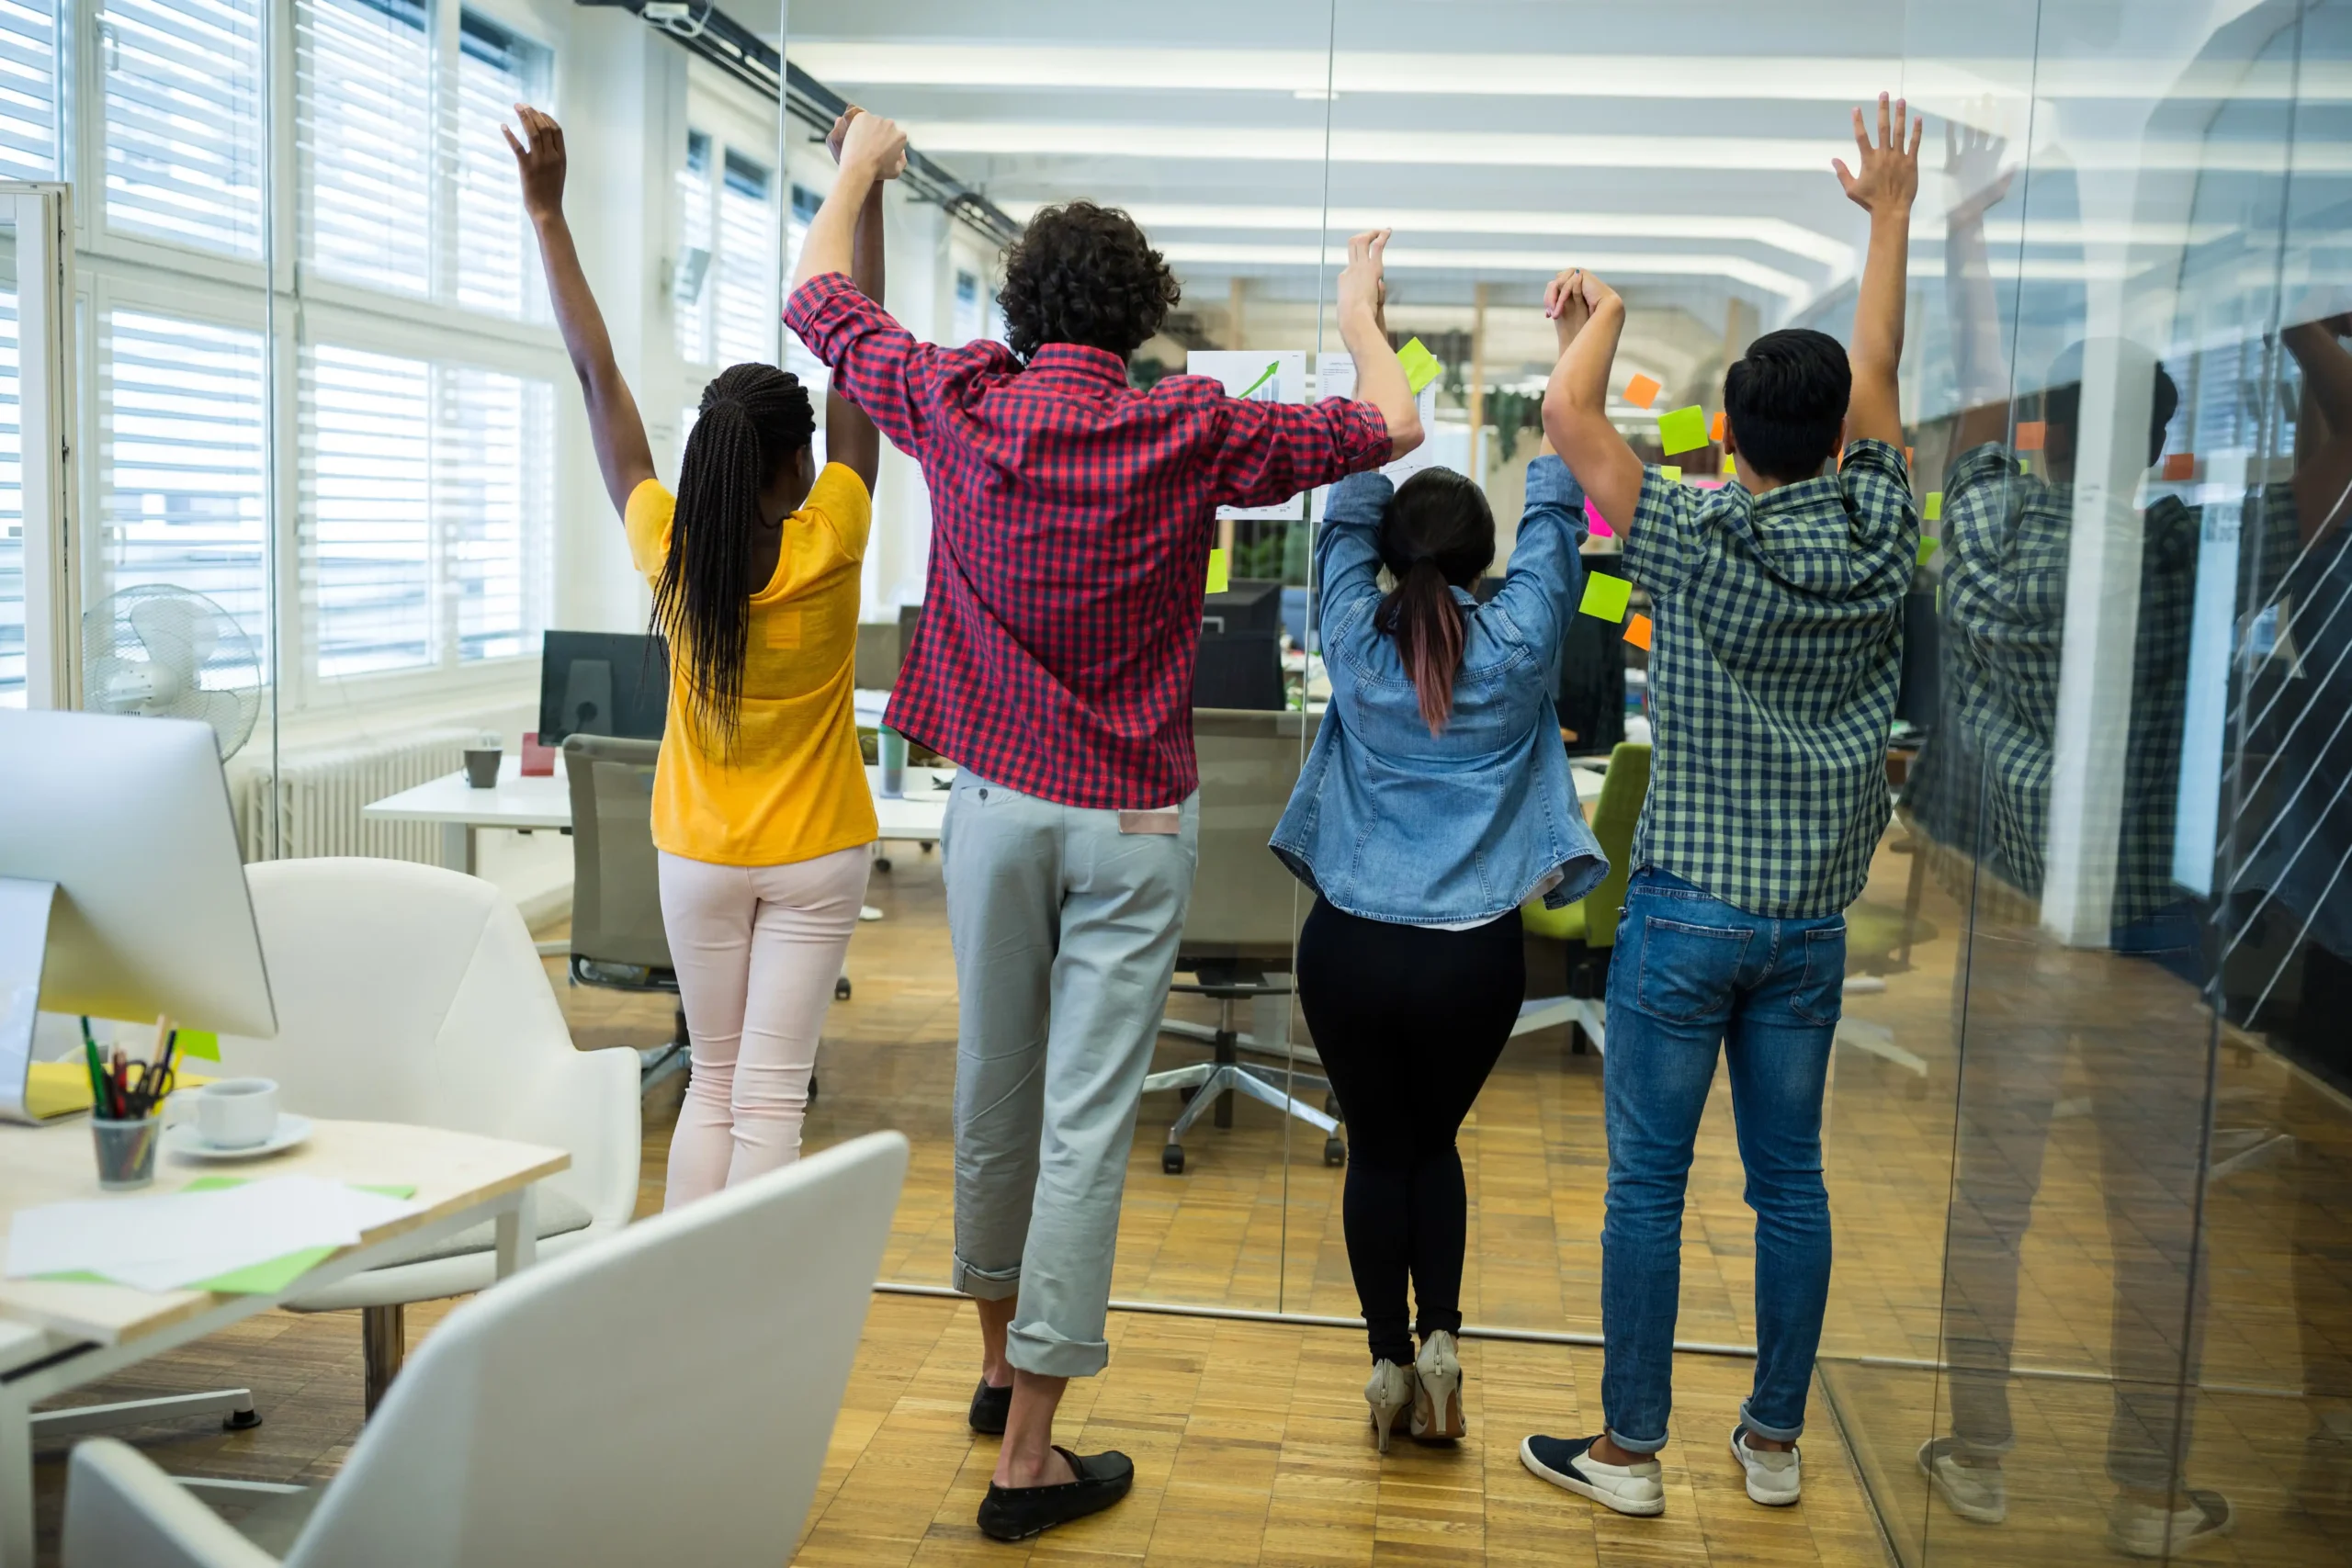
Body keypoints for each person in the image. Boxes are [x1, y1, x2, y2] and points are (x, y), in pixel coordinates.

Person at [786, 111, 1423, 1542]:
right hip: (1132, 818)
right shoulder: (1185, 426)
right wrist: (1356, 314)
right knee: (1082, 1124)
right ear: (1142, 320)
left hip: (999, 810)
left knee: (997, 1089)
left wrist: (862, 167)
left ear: (1019, 309)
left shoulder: (959, 399)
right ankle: (1029, 1450)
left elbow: (816, 299)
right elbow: (1391, 425)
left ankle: (997, 1363)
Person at [1519, 94, 1922, 1517]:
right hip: (1811, 924)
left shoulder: (1695, 531)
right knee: (1789, 1187)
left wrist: (1606, 307)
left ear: (1733, 434)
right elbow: (1876, 369)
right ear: (1835, 438)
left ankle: (1630, 1453)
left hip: (1687, 911)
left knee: (1648, 1187)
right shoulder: (1882, 528)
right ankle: (1772, 1442)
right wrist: (1890, 220)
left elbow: (1567, 416)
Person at [507, 104, 887, 1209]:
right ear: (792, 464)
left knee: (713, 1084)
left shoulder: (669, 550)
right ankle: (749, 1317)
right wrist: (863, 187)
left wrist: (545, 213)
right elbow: (860, 357)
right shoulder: (834, 537)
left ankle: (680, 1303)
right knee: (771, 1097)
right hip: (818, 854)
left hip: (699, 856)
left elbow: (595, 377)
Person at [1271, 287, 1610, 1454]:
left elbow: (1349, 488)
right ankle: (1444, 1346)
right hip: (1472, 960)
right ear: (1482, 559)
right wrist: (1572, 350)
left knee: (1377, 1149)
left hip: (1351, 948)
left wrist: (1365, 326)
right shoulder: (1518, 643)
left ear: (1384, 552)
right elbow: (1562, 506)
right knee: (1434, 1150)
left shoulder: (1353, 640)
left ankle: (1382, 1363)